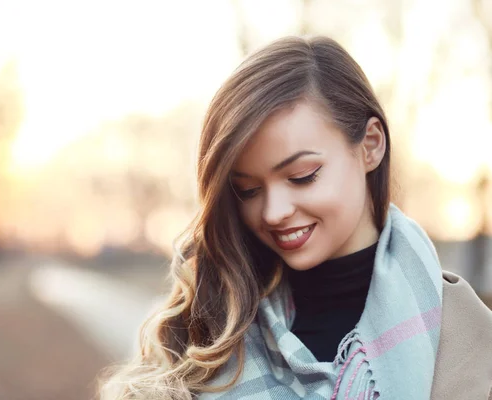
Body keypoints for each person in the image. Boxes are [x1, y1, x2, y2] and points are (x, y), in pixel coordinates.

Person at [98, 36, 492, 399]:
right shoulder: (202, 332)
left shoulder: (466, 338)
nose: (273, 212)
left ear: (370, 146)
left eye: (302, 177)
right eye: (248, 190)